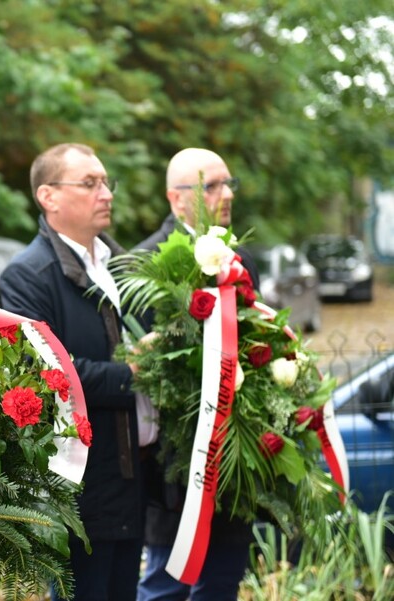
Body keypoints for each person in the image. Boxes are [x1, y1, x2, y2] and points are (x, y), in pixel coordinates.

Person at [0, 143, 144, 601]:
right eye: (89, 183)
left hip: (132, 473)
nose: (105, 193)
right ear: (49, 196)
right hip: (80, 483)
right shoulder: (28, 274)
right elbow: (46, 373)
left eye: (106, 182)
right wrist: (137, 374)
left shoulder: (122, 266)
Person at [135, 147, 260, 601]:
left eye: (229, 184)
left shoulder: (240, 257)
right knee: (167, 586)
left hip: (235, 453)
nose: (226, 195)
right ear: (176, 199)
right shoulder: (147, 262)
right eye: (212, 186)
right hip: (176, 463)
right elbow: (146, 363)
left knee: (222, 583)